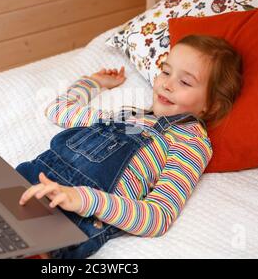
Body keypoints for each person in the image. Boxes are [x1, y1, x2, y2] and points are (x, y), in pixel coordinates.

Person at [17, 34, 243, 258]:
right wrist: (94, 82)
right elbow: (60, 110)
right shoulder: (127, 118)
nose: (167, 84)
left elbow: (158, 217)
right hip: (26, 183)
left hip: (69, 217)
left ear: (211, 106)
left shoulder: (190, 142)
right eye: (165, 71)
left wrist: (84, 199)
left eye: (184, 82)